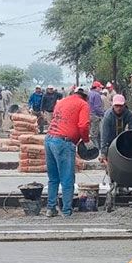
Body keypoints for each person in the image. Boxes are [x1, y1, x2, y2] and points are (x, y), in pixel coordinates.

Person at [44, 88, 90, 217]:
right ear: (85, 96)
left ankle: (51, 208)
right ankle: (66, 211)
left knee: (53, 178)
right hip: (63, 142)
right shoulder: (83, 104)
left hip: (49, 139)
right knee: (67, 178)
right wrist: (86, 140)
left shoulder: (62, 101)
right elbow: (83, 125)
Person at [99, 93, 132, 158]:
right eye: (116, 106)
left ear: (124, 105)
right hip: (110, 139)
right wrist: (103, 152)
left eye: (120, 106)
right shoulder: (108, 116)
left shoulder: (129, 115)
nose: (118, 108)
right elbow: (104, 134)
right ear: (113, 105)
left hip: (123, 139)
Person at [87, 81, 106, 151]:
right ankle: (96, 149)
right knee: (95, 134)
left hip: (88, 115)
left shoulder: (88, 94)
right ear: (96, 87)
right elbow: (97, 107)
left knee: (91, 132)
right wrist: (103, 114)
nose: (100, 89)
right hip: (95, 116)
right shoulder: (97, 95)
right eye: (100, 87)